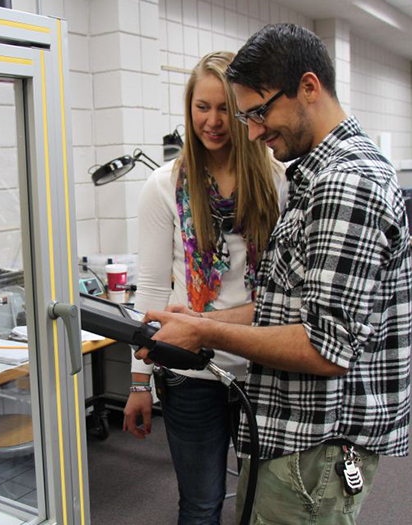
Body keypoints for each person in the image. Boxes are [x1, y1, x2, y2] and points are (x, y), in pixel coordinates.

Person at [137, 24, 412, 524]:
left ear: (308, 87)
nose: (253, 131)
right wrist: (199, 324)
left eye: (257, 112)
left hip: (318, 436)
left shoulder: (342, 184)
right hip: (291, 429)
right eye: (246, 116)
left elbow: (325, 347)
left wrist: (204, 329)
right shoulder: (313, 176)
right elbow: (284, 306)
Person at [122, 51, 284, 525]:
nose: (212, 122)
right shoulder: (164, 186)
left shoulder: (278, 180)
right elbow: (151, 288)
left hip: (265, 366)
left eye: (226, 109)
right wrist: (138, 385)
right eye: (201, 107)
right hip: (191, 373)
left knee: (265, 504)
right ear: (188, 109)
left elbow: (283, 288)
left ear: (245, 112)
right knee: (200, 503)